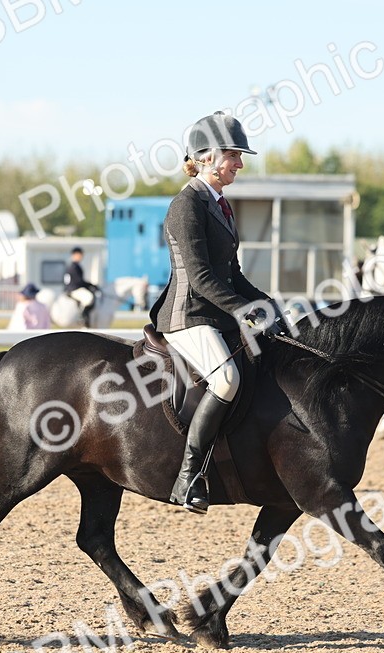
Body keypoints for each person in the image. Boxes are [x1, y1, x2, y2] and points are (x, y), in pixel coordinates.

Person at [149, 111, 283, 514]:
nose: (239, 164)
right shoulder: (185, 206)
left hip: (214, 314)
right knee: (225, 379)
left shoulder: (221, 205)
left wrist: (268, 304)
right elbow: (203, 278)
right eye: (233, 155)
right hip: (186, 315)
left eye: (240, 156)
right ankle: (188, 477)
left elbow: (233, 273)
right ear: (205, 156)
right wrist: (246, 311)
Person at [63, 247, 101, 326]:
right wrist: (90, 285)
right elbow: (78, 281)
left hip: (73, 288)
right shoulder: (74, 267)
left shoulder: (74, 266)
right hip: (74, 289)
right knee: (89, 297)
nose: (81, 256)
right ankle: (82, 317)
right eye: (80, 255)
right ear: (75, 255)